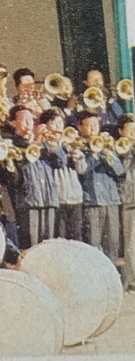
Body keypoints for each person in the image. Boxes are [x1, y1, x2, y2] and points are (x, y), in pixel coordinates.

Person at [1, 105, 57, 248]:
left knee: (48, 245)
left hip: (47, 198)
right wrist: (35, 143)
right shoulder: (12, 144)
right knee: (31, 246)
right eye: (24, 120)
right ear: (13, 123)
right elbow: (17, 174)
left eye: (31, 120)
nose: (29, 123)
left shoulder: (43, 143)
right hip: (28, 201)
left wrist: (54, 144)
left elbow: (60, 162)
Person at [75, 110, 125, 262]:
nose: (93, 129)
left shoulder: (107, 145)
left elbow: (119, 171)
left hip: (111, 200)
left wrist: (109, 156)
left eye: (96, 124)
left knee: (113, 242)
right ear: (80, 127)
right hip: (93, 201)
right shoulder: (78, 146)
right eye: (89, 125)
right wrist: (94, 155)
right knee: (94, 242)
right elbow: (81, 169)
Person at [38, 108, 85, 241]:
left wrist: (79, 157)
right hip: (59, 197)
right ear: (45, 125)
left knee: (77, 237)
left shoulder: (70, 144)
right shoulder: (43, 145)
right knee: (61, 237)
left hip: (75, 196)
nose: (59, 126)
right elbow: (59, 162)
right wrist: (58, 145)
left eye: (61, 122)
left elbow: (81, 170)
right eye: (54, 122)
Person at [117, 114, 135, 290]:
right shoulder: (118, 148)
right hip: (130, 199)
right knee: (131, 244)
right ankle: (130, 279)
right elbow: (120, 170)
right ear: (121, 132)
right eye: (129, 131)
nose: (132, 134)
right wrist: (128, 151)